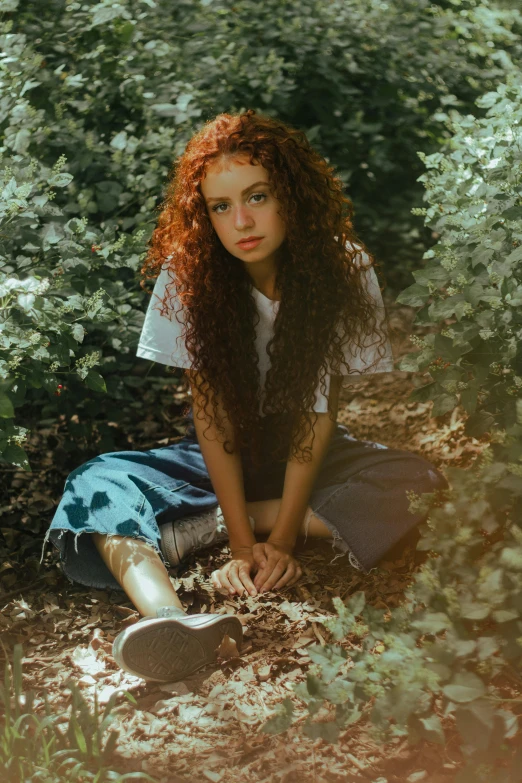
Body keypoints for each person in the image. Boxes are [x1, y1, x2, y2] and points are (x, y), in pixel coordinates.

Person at [43, 110, 447, 683]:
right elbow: (210, 419)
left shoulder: (342, 265)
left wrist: (278, 540)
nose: (242, 221)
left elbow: (317, 412)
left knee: (419, 484)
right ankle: (168, 620)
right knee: (94, 483)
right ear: (204, 214)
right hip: (213, 457)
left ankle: (193, 528)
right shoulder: (188, 273)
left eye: (257, 196)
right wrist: (239, 544)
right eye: (221, 206)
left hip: (313, 452)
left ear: (291, 196)